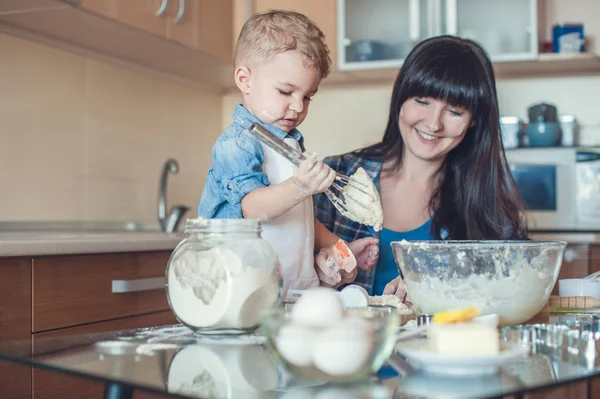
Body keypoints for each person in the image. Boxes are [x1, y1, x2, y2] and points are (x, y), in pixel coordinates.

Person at [314, 35, 528, 299]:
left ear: (474, 121)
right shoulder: (335, 177)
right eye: (423, 101)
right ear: (401, 99)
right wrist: (323, 275)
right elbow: (288, 278)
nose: (434, 124)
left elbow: (520, 288)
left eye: (455, 111)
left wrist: (441, 289)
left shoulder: (486, 203)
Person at [198, 10, 379, 298]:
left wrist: (337, 246)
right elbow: (251, 209)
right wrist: (300, 186)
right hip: (244, 291)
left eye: (307, 96)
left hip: (293, 291)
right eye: (286, 92)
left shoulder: (291, 145)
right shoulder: (237, 144)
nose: (298, 106)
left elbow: (300, 217)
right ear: (245, 79)